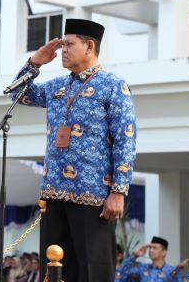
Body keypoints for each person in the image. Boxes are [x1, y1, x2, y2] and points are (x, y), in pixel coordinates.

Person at [10, 19, 137, 282]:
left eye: (69, 44)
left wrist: (118, 191)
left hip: (93, 195)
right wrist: (35, 61)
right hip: (54, 190)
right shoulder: (57, 86)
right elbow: (18, 94)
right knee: (54, 269)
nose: (63, 50)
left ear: (89, 46)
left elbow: (126, 139)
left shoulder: (113, 86)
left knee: (92, 270)